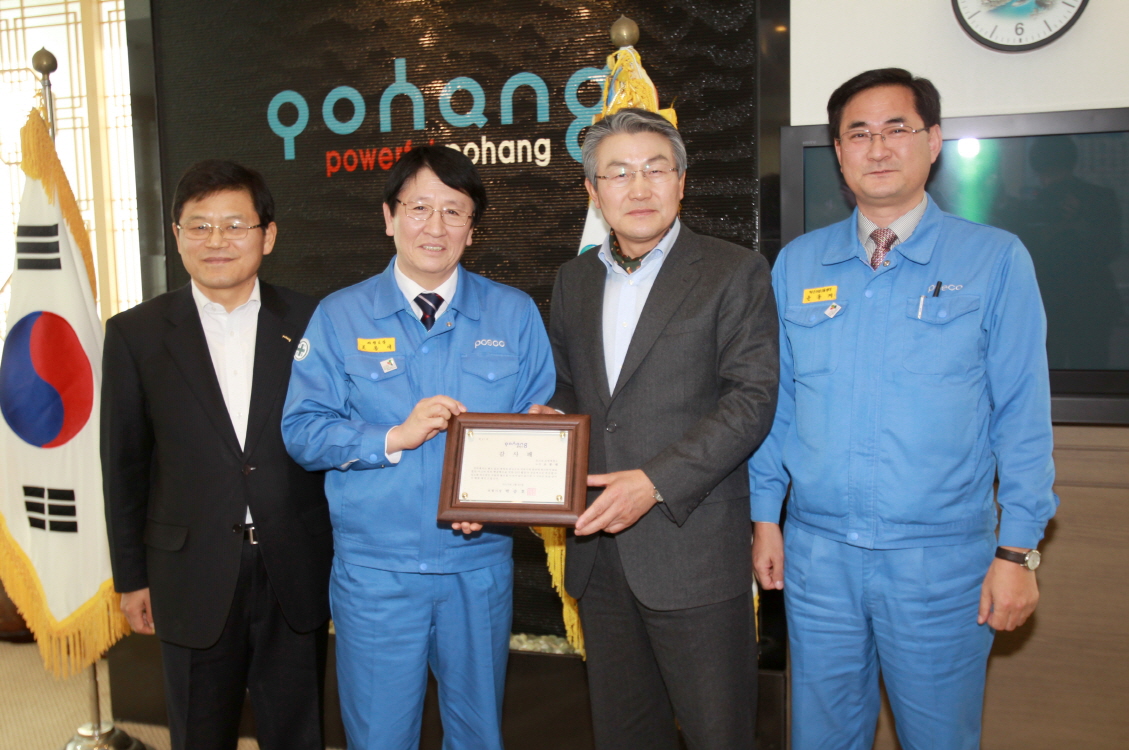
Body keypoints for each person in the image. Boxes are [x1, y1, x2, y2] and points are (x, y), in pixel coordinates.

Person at [749, 68, 1059, 750]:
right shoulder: (798, 265)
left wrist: (1017, 551)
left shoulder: (993, 260)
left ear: (933, 141)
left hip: (940, 563)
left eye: (897, 128)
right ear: (839, 152)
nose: (878, 147)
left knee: (938, 738)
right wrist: (765, 516)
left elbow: (1021, 416)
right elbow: (777, 404)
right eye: (858, 133)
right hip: (818, 557)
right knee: (821, 738)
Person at [281, 146, 554, 750]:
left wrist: (508, 492)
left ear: (472, 229)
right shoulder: (340, 316)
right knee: (379, 737)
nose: (436, 227)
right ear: (389, 217)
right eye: (419, 208)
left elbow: (539, 432)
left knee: (478, 735)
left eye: (454, 212)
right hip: (377, 574)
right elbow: (302, 431)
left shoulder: (512, 314)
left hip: (476, 567)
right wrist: (391, 438)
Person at [535, 108, 779, 749]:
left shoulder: (734, 271)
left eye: (655, 169)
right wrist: (549, 419)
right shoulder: (574, 279)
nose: (638, 188)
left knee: (718, 734)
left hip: (693, 549)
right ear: (593, 191)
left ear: (682, 182)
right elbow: (569, 386)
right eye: (618, 173)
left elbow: (751, 400)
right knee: (624, 734)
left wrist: (655, 481)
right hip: (598, 557)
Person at [102, 160, 332, 750]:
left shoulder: (315, 321)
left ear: (267, 235)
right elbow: (124, 466)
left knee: (298, 732)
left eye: (234, 225)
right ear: (177, 236)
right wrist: (131, 578)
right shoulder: (134, 334)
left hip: (293, 564)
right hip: (188, 571)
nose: (217, 241)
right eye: (199, 226)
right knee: (199, 733)